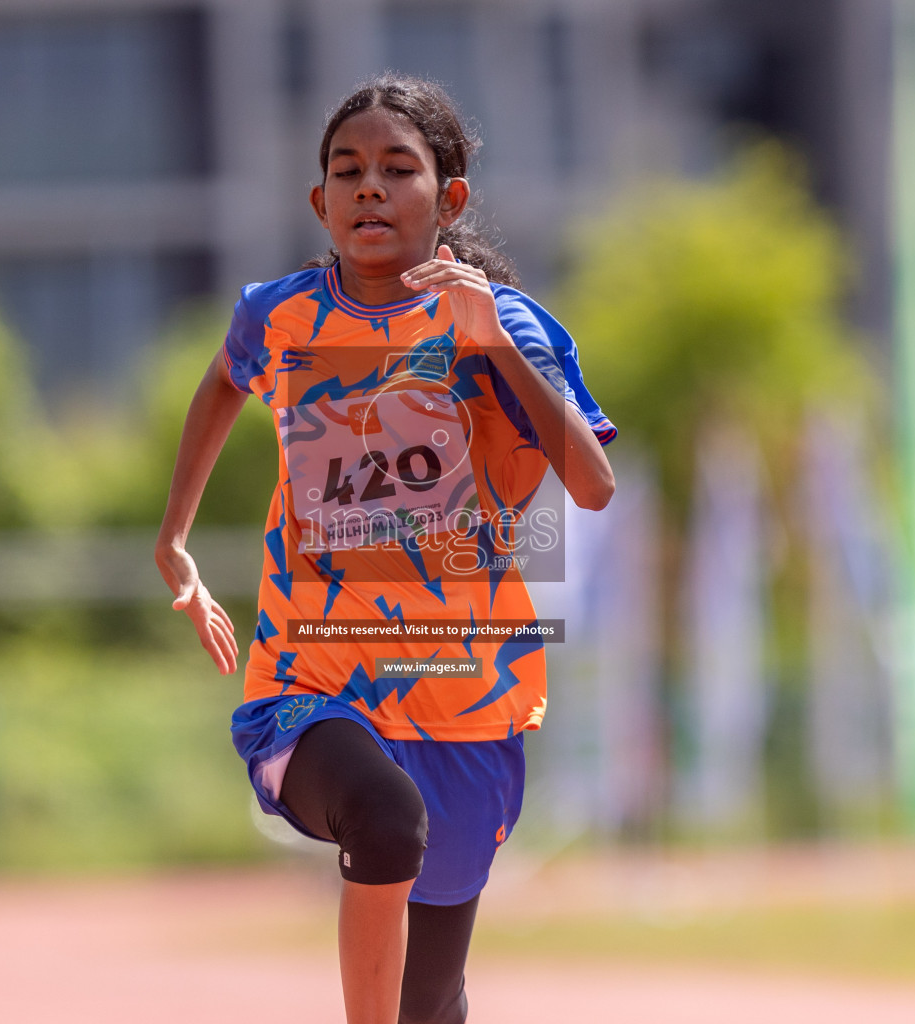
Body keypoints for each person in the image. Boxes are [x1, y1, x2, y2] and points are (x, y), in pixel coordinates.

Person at [155, 74, 616, 1024]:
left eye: (396, 169)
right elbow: (222, 382)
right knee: (383, 817)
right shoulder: (278, 317)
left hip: (461, 689)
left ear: (448, 199)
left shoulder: (505, 325)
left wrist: (489, 344)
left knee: (432, 1001)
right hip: (310, 681)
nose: (369, 188)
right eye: (346, 171)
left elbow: (593, 484)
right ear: (318, 202)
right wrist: (175, 541)